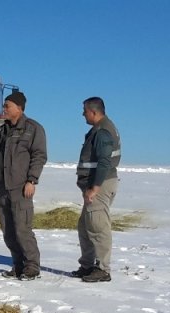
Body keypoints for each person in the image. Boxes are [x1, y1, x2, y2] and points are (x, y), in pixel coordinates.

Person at [0, 91, 47, 280]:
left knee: (22, 229)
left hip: (21, 188)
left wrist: (32, 180)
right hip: (2, 187)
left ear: (19, 108)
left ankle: (32, 266)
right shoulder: (3, 130)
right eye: (4, 106)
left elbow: (39, 156)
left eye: (7, 106)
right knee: (8, 231)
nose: (4, 109)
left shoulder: (32, 129)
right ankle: (18, 265)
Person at [73, 97, 121, 283]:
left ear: (94, 112)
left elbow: (104, 162)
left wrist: (94, 188)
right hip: (94, 184)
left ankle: (102, 269)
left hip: (99, 185)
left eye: (84, 110)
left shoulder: (102, 132)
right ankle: (87, 265)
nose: (82, 114)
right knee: (86, 226)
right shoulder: (99, 130)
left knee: (98, 226)